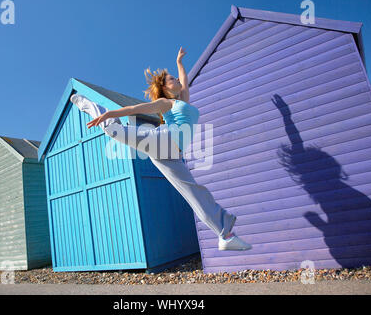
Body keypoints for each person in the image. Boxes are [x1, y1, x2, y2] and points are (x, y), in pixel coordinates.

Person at [70, 47, 252, 251]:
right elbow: (134, 109)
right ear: (165, 88)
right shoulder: (166, 103)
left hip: (173, 155)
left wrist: (179, 62)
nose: (177, 80)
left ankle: (225, 234)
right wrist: (110, 113)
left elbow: (185, 79)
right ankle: (91, 107)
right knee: (117, 132)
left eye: (175, 78)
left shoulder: (183, 101)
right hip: (162, 139)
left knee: (193, 192)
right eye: (172, 79)